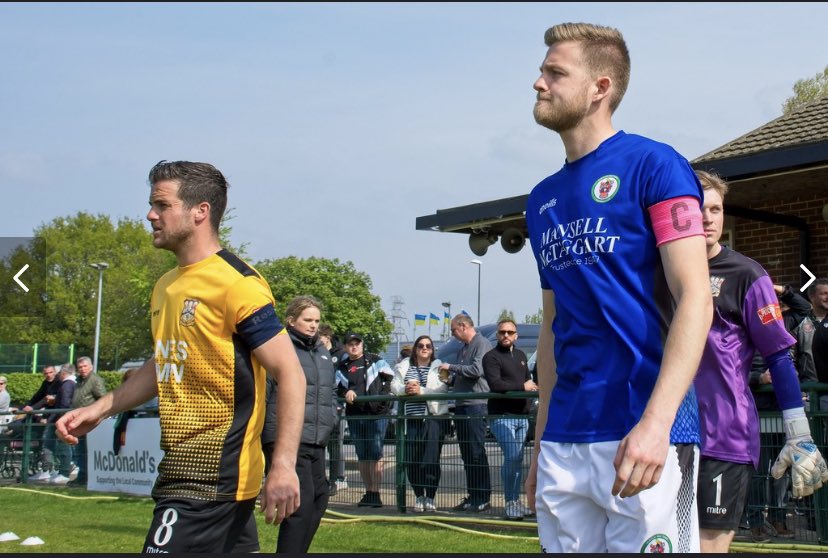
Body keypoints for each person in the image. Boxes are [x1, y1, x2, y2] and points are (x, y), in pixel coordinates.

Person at [524, 22, 713, 553]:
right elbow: (552, 328)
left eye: (555, 73)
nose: (538, 83)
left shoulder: (656, 165)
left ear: (599, 88)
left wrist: (657, 423)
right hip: (565, 437)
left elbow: (696, 298)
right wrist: (540, 443)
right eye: (541, 71)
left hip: (643, 429)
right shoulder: (540, 200)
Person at [56, 160, 306, 553]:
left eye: (162, 205)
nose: (150, 215)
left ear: (200, 211)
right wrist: (100, 408)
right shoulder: (165, 286)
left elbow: (290, 373)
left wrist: (284, 465)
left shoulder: (238, 284)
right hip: (181, 469)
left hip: (212, 477)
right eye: (151, 205)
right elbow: (165, 363)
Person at [693, 170, 828, 552]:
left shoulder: (748, 275)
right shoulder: (657, 269)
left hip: (723, 435)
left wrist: (798, 433)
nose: (707, 218)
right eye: (698, 208)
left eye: (716, 209)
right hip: (664, 437)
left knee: (706, 547)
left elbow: (779, 357)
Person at [260, 296, 335, 553]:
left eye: (316, 320)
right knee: (299, 506)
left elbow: (329, 392)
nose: (313, 325)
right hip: (287, 437)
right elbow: (265, 392)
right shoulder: (279, 348)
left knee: (320, 499)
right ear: (291, 321)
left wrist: (330, 420)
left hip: (316, 438)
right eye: (307, 320)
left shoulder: (323, 352)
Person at [482, 319, 538, 520]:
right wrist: (522, 387)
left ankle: (515, 501)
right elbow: (496, 385)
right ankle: (509, 503)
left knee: (517, 459)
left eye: (510, 332)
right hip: (501, 416)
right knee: (512, 457)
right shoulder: (491, 357)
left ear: (516, 335)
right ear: (497, 335)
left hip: (521, 417)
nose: (506, 335)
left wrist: (530, 387)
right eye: (502, 332)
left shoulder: (521, 355)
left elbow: (528, 379)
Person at [438, 314, 493, 512]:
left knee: (476, 451)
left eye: (453, 330)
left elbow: (477, 370)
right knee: (467, 454)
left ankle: (483, 497)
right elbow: (464, 374)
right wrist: (450, 380)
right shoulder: (463, 349)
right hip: (462, 405)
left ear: (463, 326)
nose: (453, 334)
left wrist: (451, 367)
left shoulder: (482, 343)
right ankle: (473, 495)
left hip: (476, 405)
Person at [390, 335, 449, 513]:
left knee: (431, 459)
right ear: (415, 349)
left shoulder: (439, 366)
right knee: (411, 460)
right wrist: (405, 389)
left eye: (428, 346)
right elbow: (394, 385)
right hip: (410, 420)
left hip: (432, 418)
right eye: (421, 346)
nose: (424, 348)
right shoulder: (403, 366)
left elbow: (443, 389)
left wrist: (420, 391)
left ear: (432, 350)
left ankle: (430, 496)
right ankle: (418, 496)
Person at [335, 332, 393, 507]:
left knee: (376, 453)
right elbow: (336, 388)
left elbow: (390, 379)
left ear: (362, 344)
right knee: (362, 454)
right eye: (350, 344)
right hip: (355, 415)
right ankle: (368, 492)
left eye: (357, 343)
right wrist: (346, 392)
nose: (354, 347)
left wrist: (381, 400)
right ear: (345, 347)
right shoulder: (342, 366)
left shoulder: (375, 360)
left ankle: (376, 492)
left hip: (377, 415)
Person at [67, 355, 107, 486]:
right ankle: (83, 475)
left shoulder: (95, 380)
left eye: (85, 366)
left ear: (91, 367)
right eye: (80, 367)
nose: (82, 369)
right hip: (79, 420)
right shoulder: (79, 381)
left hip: (90, 421)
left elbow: (102, 398)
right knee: (80, 450)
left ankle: (85, 476)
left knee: (86, 450)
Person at [320, 323, 348, 495]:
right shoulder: (316, 353)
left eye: (320, 338)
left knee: (335, 443)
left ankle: (337, 478)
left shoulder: (341, 355)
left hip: (337, 404)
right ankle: (321, 480)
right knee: (321, 442)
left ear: (327, 337)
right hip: (321, 404)